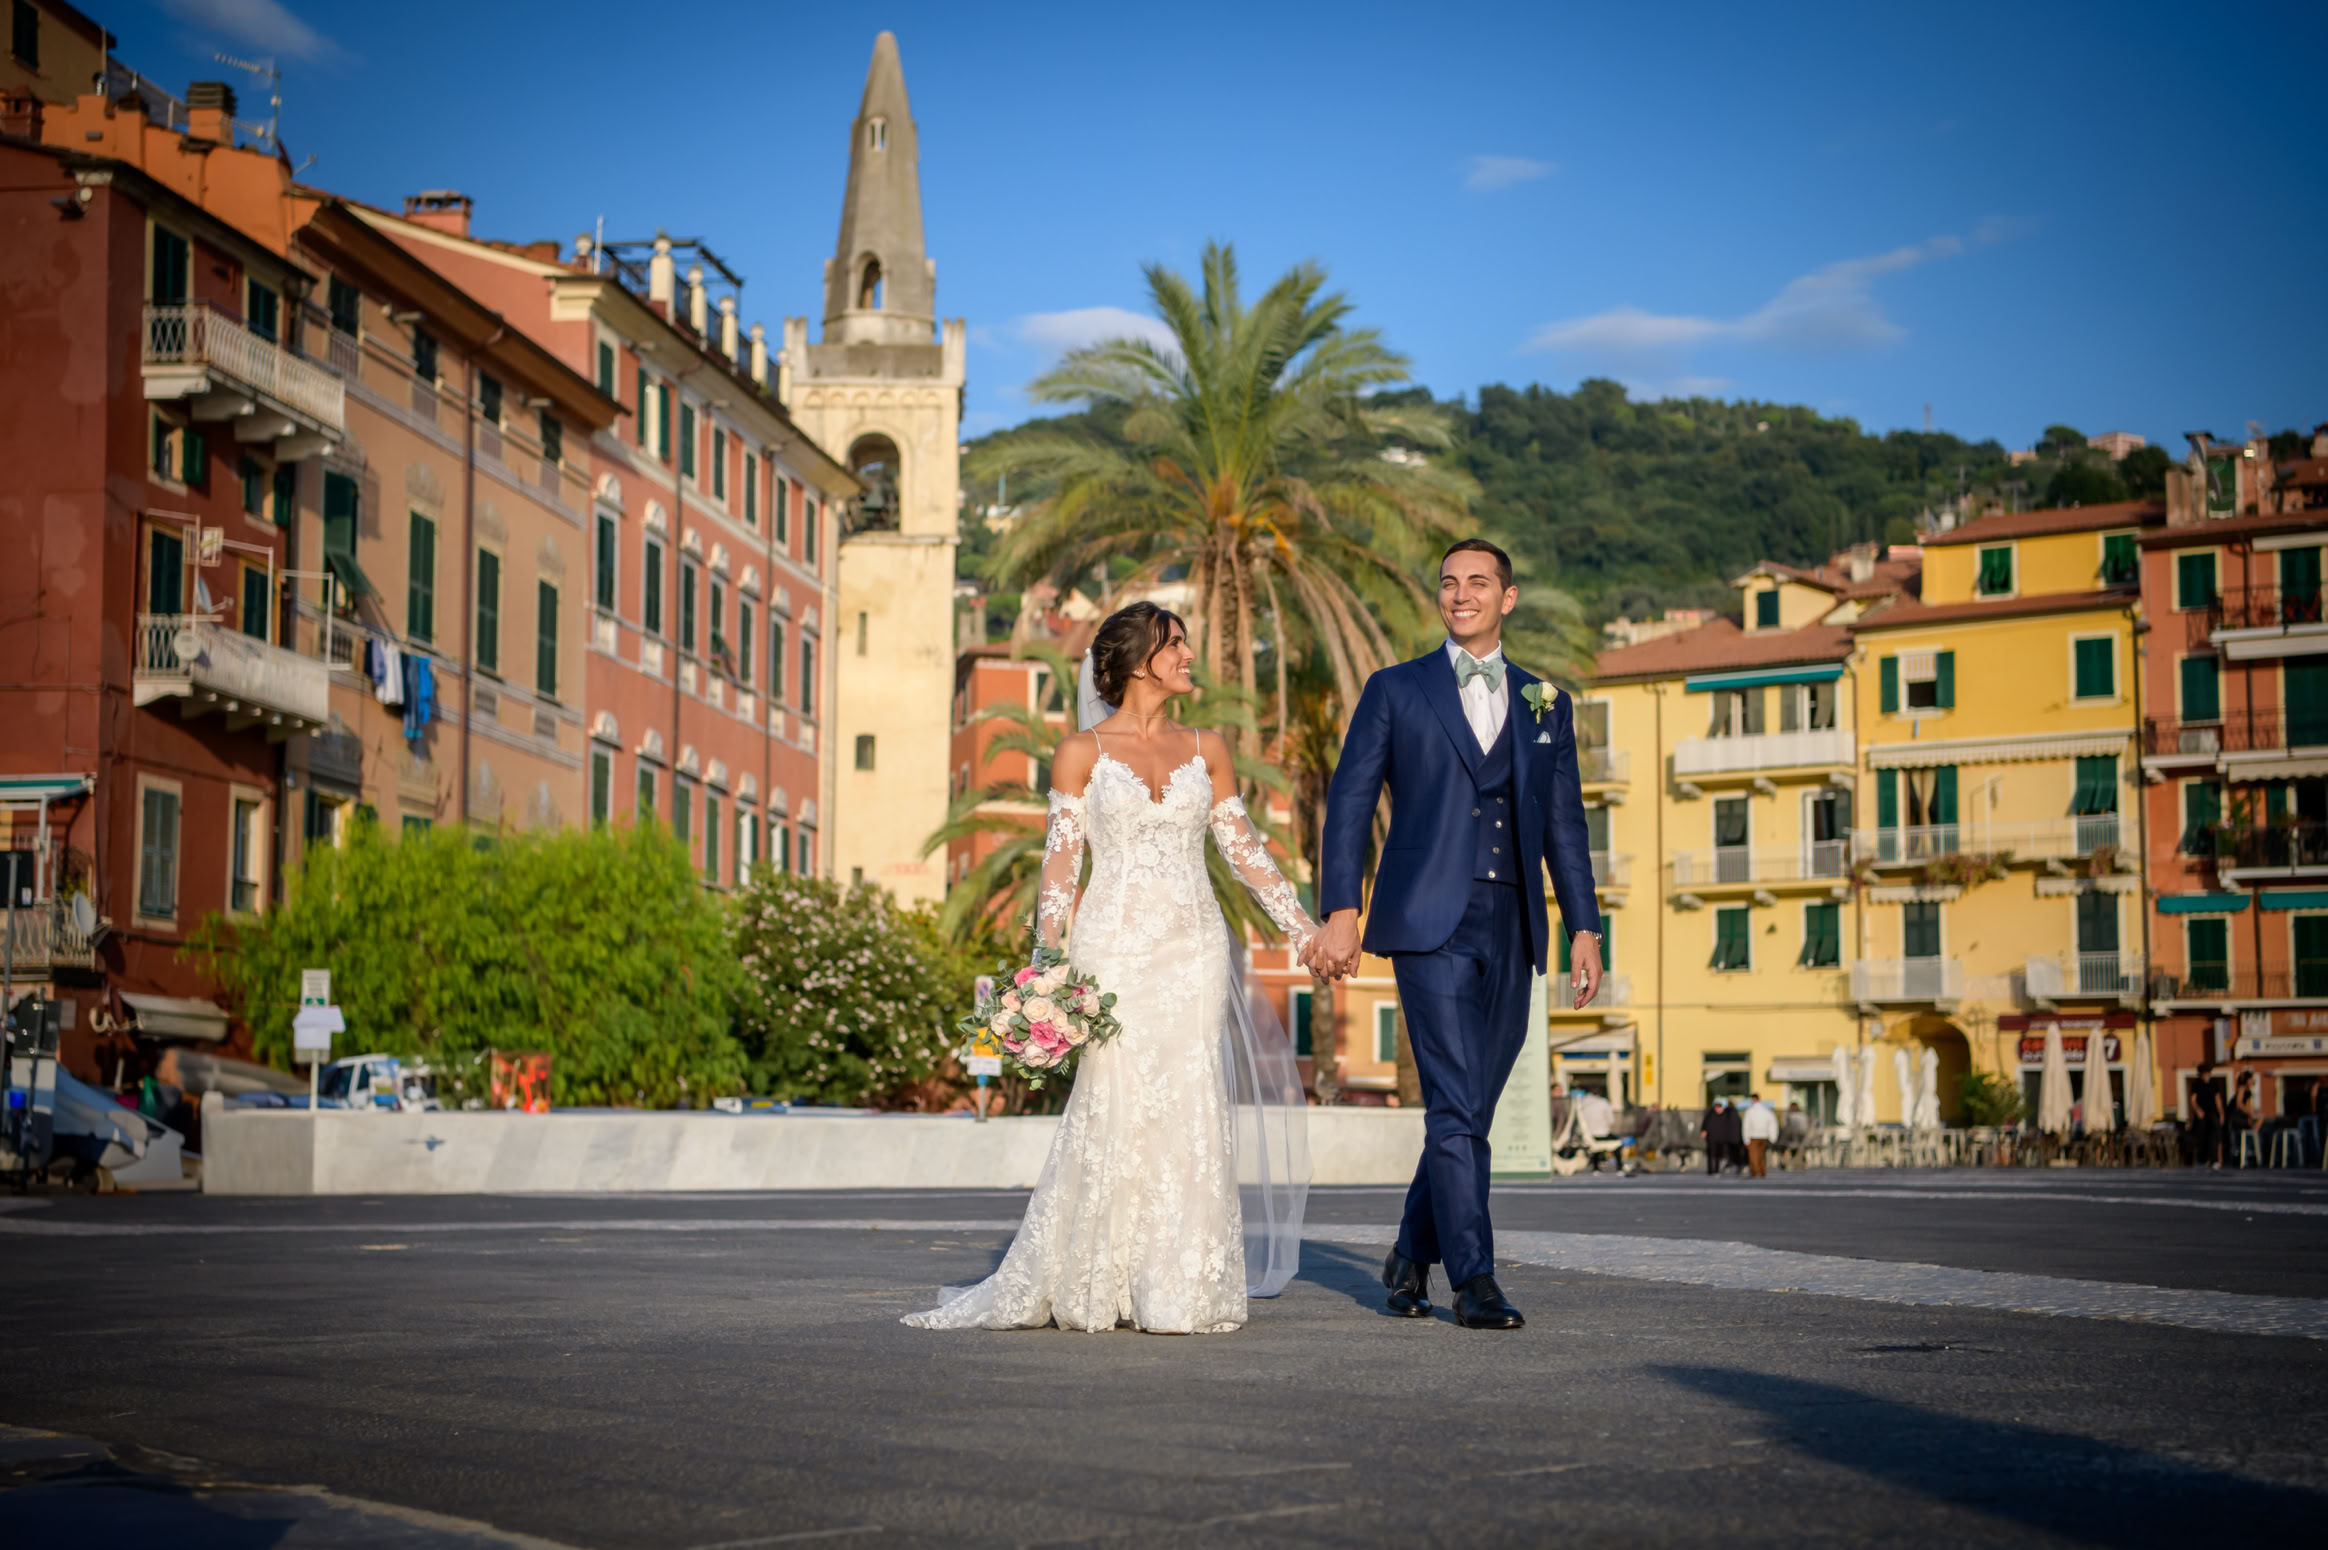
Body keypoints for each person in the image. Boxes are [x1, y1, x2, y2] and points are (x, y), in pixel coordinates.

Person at [904, 603, 1315, 1335]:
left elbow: (1245, 851)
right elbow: (1061, 863)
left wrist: (1305, 931)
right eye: (1176, 644)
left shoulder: (1208, 747)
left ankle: (1177, 1287)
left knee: (1190, 1103)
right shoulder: (1080, 753)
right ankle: (1102, 1279)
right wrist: (1045, 970)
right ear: (1136, 661)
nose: (1190, 654)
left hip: (1192, 947)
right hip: (1113, 948)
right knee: (1116, 1101)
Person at [1308, 539, 1603, 1331]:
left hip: (1513, 920)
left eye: (1478, 583)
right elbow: (1350, 801)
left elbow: (1566, 825)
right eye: (1449, 583)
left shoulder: (1547, 702)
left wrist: (1585, 925)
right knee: (1454, 1105)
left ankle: (1410, 1250)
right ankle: (1473, 1278)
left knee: (1466, 1104)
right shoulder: (1395, 690)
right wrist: (1343, 907)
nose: (1461, 594)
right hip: (1427, 919)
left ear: (1507, 599)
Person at [2187, 1061, 2225, 1169]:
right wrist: (2198, 1110)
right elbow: (2193, 1100)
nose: (2207, 1076)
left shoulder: (2214, 1083)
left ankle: (2216, 1159)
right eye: (2205, 1074)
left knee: (2216, 1135)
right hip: (2202, 1115)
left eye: (2208, 1073)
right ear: (2201, 1074)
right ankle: (2205, 1159)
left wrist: (2221, 1114)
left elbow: (2218, 1100)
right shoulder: (2197, 1084)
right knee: (2202, 1136)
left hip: (2213, 1113)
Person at [1742, 1092, 1779, 1178]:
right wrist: (1773, 1137)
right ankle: (1763, 1172)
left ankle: (1755, 1172)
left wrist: (1745, 1139)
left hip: (1753, 1137)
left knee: (1753, 1156)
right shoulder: (1766, 1110)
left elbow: (1746, 1126)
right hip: (1764, 1136)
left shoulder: (1749, 1111)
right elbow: (1773, 1124)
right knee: (1761, 1155)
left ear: (1752, 1100)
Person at [1700, 1098, 1727, 1175]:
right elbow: (1704, 1124)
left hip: (1720, 1138)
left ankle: (1716, 1170)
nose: (1718, 1109)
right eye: (1717, 1107)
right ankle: (1710, 1170)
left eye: (1719, 1107)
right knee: (1711, 1154)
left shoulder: (1724, 1115)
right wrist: (1703, 1131)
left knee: (1718, 1155)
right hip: (1711, 1138)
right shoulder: (1710, 1115)